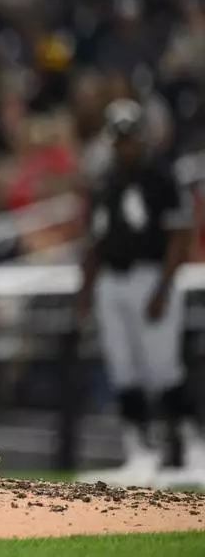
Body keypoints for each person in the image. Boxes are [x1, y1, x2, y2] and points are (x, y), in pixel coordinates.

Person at [75, 99, 202, 488]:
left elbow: (179, 236)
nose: (124, 146)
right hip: (112, 281)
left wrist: (163, 287)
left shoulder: (161, 176)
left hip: (151, 276)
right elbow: (94, 242)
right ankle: (139, 453)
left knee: (163, 369)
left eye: (129, 138)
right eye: (118, 140)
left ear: (141, 138)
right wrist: (85, 291)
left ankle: (195, 449)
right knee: (123, 369)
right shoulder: (104, 182)